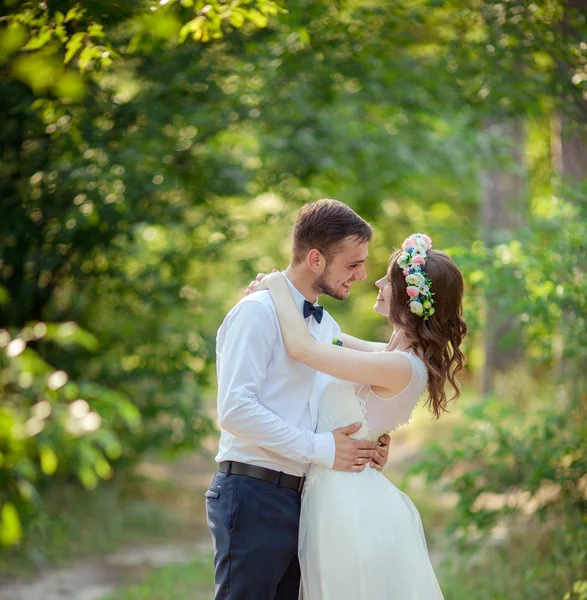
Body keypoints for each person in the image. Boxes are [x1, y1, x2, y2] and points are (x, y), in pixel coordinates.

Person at [253, 232, 467, 599]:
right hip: (334, 492)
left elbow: (304, 349)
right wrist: (284, 300)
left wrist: (276, 282)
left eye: (390, 280)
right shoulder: (386, 355)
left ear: (411, 299)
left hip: (348, 505)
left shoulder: (398, 366)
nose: (379, 283)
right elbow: (329, 340)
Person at [206, 199, 392, 600]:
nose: (361, 275)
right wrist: (320, 448)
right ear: (316, 259)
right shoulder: (256, 313)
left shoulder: (326, 328)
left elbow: (330, 403)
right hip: (253, 493)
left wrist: (371, 443)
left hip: (306, 500)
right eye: (353, 264)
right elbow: (236, 409)